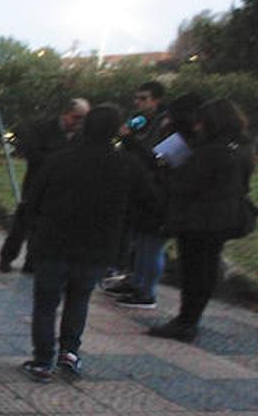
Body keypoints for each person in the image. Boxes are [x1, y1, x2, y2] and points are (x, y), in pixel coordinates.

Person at [20, 104, 156, 382]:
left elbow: (32, 199)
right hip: (97, 246)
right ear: (116, 129)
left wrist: (35, 227)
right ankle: (69, 352)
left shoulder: (59, 160)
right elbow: (150, 199)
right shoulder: (126, 164)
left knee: (46, 303)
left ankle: (42, 360)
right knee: (78, 300)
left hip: (53, 242)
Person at [149, 98, 255, 342]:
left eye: (200, 123)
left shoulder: (211, 152)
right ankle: (191, 319)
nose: (196, 128)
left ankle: (186, 320)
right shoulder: (241, 148)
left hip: (200, 219)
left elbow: (186, 184)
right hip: (226, 217)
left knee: (195, 270)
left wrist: (166, 168)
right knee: (206, 268)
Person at [111, 93, 204, 309]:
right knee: (142, 242)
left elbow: (157, 161)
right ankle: (137, 282)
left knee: (152, 245)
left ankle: (146, 290)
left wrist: (132, 142)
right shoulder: (173, 134)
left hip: (164, 198)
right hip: (152, 194)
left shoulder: (186, 140)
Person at [0, 98, 89, 273]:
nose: (79, 122)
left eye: (83, 118)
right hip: (36, 183)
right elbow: (32, 153)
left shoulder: (81, 136)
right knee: (22, 223)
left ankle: (32, 262)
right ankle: (7, 257)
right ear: (65, 114)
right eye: (76, 117)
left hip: (60, 189)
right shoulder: (44, 128)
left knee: (43, 227)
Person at [102, 80, 169, 292]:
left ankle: (144, 287)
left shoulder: (163, 123)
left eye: (143, 99)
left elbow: (154, 155)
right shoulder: (140, 121)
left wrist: (130, 140)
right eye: (136, 98)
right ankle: (130, 276)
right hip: (132, 181)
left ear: (156, 100)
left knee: (148, 243)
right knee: (133, 235)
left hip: (152, 185)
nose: (138, 103)